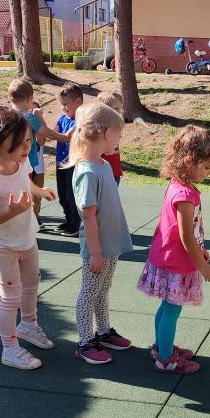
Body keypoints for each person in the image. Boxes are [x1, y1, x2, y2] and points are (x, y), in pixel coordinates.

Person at [0, 105, 57, 370]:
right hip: (2, 245)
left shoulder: (20, 162)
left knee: (32, 283)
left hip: (26, 236)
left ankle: (28, 325)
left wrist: (39, 191)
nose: (26, 146)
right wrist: (12, 211)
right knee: (10, 297)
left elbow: (24, 182)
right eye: (19, 142)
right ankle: (9, 348)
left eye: (28, 139)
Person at [137, 125, 210, 374]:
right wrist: (203, 266)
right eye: (206, 167)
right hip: (176, 262)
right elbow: (185, 236)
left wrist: (201, 249)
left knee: (166, 307)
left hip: (168, 257)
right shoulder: (184, 195)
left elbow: (189, 231)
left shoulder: (178, 185)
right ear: (188, 161)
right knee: (172, 309)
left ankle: (160, 347)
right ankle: (165, 360)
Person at [68, 102, 134, 364]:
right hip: (98, 248)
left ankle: (104, 331)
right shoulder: (87, 172)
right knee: (89, 293)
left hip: (110, 244)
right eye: (118, 134)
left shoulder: (104, 165)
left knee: (103, 289)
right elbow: (88, 216)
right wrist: (95, 253)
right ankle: (85, 342)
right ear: (106, 133)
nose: (119, 140)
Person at [8, 79, 67, 225]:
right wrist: (64, 137)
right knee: (25, 192)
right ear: (29, 98)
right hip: (25, 163)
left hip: (9, 163)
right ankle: (25, 223)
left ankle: (13, 220)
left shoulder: (5, 115)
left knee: (12, 192)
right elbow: (46, 133)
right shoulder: (28, 118)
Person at [55, 83, 83, 235]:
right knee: (63, 195)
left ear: (78, 102)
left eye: (66, 104)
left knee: (72, 195)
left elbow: (66, 137)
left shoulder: (80, 120)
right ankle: (69, 219)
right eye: (61, 104)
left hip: (73, 163)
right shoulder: (62, 118)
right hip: (60, 162)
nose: (63, 108)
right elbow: (52, 133)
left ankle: (76, 223)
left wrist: (40, 124)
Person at [97, 90, 124, 185]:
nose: (119, 112)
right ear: (105, 109)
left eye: (120, 109)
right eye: (116, 108)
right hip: (101, 170)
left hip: (114, 170)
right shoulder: (99, 127)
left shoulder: (116, 125)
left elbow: (115, 147)